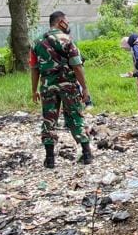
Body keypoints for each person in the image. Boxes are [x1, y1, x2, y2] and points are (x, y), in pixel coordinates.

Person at [29, 11, 93, 169]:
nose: (68, 24)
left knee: (49, 119)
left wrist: (34, 90)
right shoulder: (68, 40)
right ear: (61, 22)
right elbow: (77, 66)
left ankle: (50, 159)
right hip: (68, 86)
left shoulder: (37, 42)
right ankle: (86, 154)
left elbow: (34, 69)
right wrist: (84, 88)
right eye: (67, 21)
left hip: (47, 87)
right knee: (75, 116)